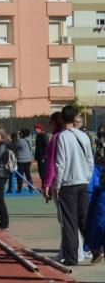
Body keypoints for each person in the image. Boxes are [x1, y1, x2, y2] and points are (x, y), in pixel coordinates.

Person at [47, 105, 94, 266]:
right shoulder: (84, 136)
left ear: (62, 119)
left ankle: (72, 257)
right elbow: (90, 161)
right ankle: (96, 249)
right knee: (84, 220)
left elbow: (60, 163)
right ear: (74, 118)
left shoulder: (62, 137)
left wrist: (57, 185)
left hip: (67, 184)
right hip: (82, 183)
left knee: (69, 222)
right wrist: (86, 177)